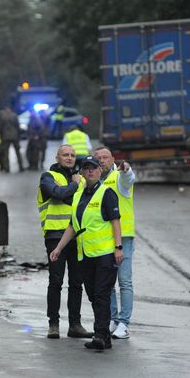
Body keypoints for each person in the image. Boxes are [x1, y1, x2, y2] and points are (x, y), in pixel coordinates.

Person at [50, 155, 124, 351]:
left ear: (100, 171)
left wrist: (118, 247)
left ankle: (100, 335)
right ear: (81, 172)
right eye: (86, 168)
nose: (90, 171)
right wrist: (58, 248)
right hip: (85, 255)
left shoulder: (106, 193)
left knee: (101, 294)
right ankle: (105, 336)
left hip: (106, 254)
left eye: (94, 168)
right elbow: (73, 226)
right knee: (93, 295)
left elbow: (115, 221)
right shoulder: (78, 195)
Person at [37, 144, 92, 340]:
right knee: (56, 281)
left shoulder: (78, 178)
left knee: (77, 282)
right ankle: (53, 324)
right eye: (65, 155)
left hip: (77, 237)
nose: (69, 158)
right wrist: (76, 185)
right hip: (55, 236)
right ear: (57, 157)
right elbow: (58, 194)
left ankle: (75, 325)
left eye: (72, 155)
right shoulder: (48, 177)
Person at [94, 146, 136, 340]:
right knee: (108, 282)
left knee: (124, 281)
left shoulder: (119, 177)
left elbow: (129, 179)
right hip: (105, 238)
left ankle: (124, 324)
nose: (102, 161)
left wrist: (126, 169)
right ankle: (113, 318)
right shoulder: (95, 182)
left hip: (124, 238)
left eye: (105, 157)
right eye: (98, 158)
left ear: (112, 160)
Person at [0, 105, 24, 173]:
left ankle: (7, 168)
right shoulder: (14, 115)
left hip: (5, 137)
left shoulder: (2, 116)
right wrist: (19, 136)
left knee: (6, 153)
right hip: (14, 136)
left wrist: (1, 135)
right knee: (17, 152)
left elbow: (0, 127)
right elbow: (17, 126)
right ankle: (21, 167)